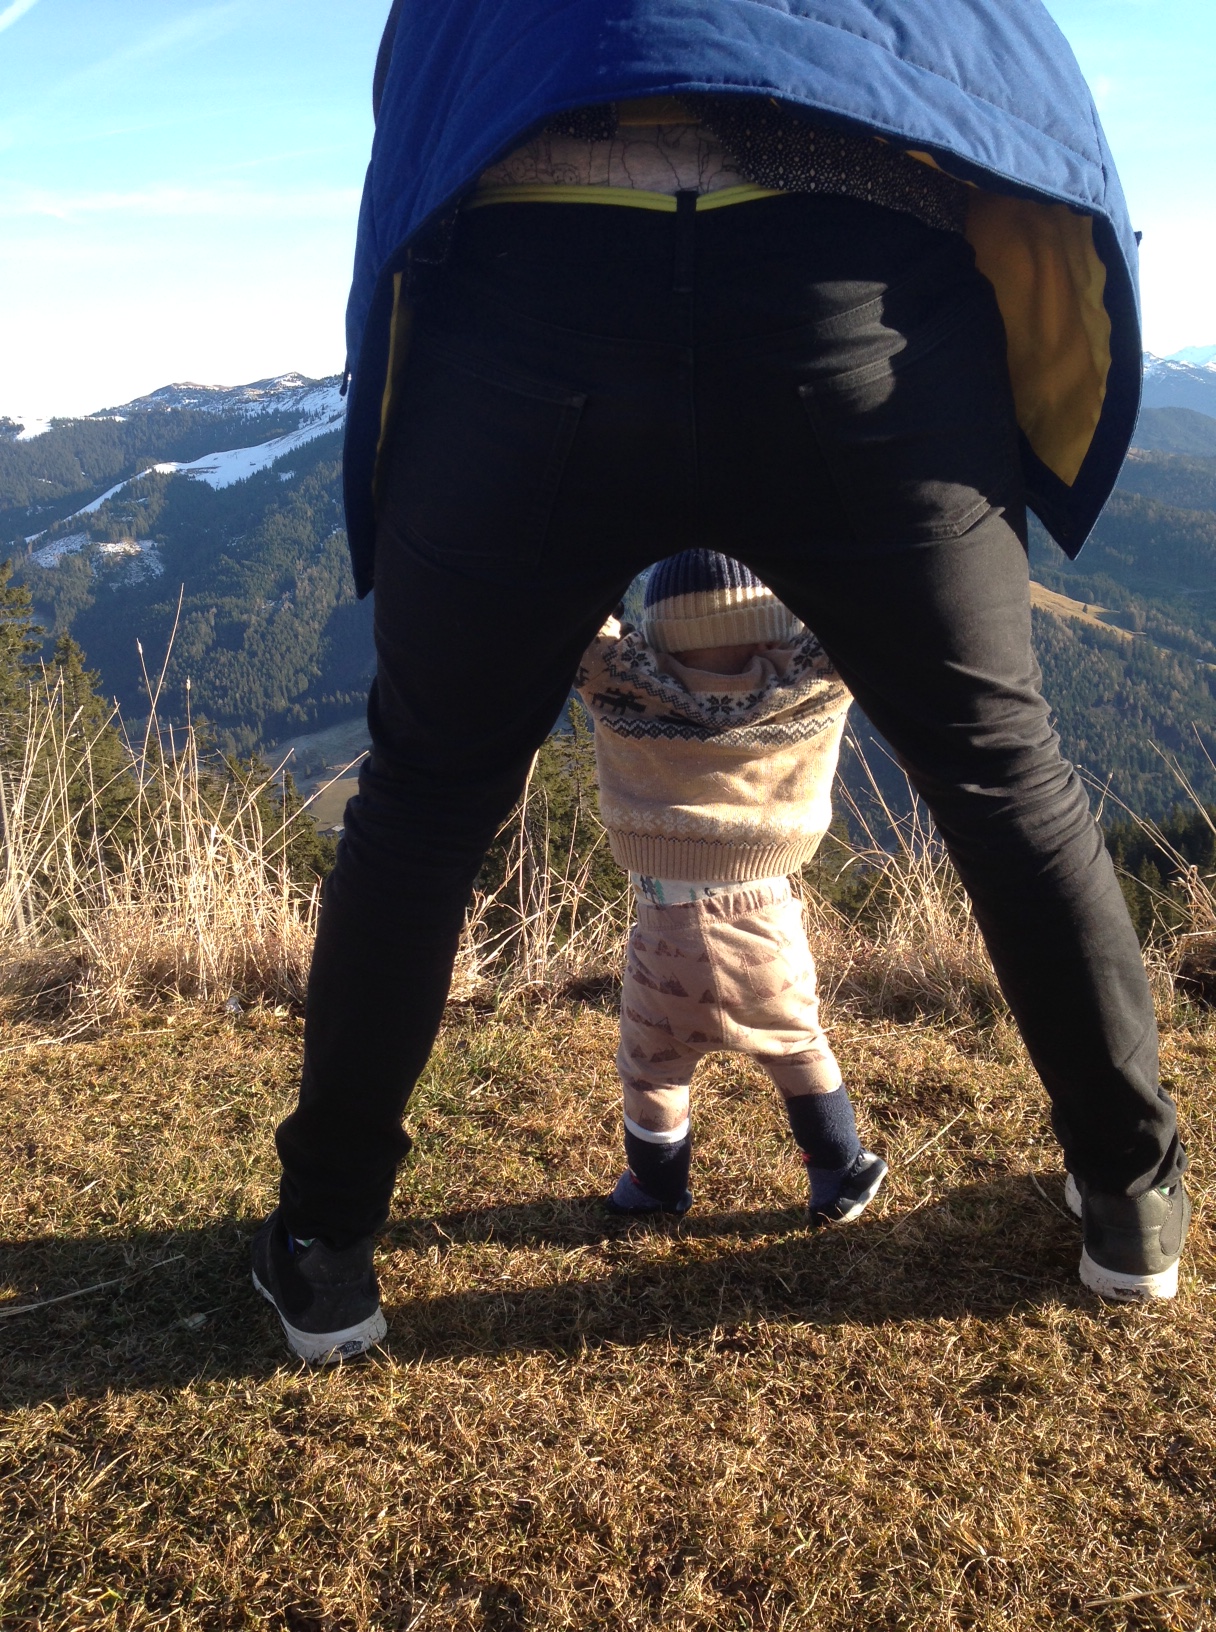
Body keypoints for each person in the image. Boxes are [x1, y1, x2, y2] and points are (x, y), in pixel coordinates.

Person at [252, 0, 1190, 1364]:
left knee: (427, 795)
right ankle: (1128, 1197)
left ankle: (326, 1244)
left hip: (529, 277)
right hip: (855, 276)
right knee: (999, 768)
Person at [576, 550, 887, 1225]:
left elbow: (581, 623)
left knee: (653, 1068)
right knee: (798, 1044)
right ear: (776, 624)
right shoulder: (814, 682)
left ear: (659, 631)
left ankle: (656, 1188)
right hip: (767, 915)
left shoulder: (623, 684)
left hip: (662, 924)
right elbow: (861, 603)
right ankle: (839, 1169)